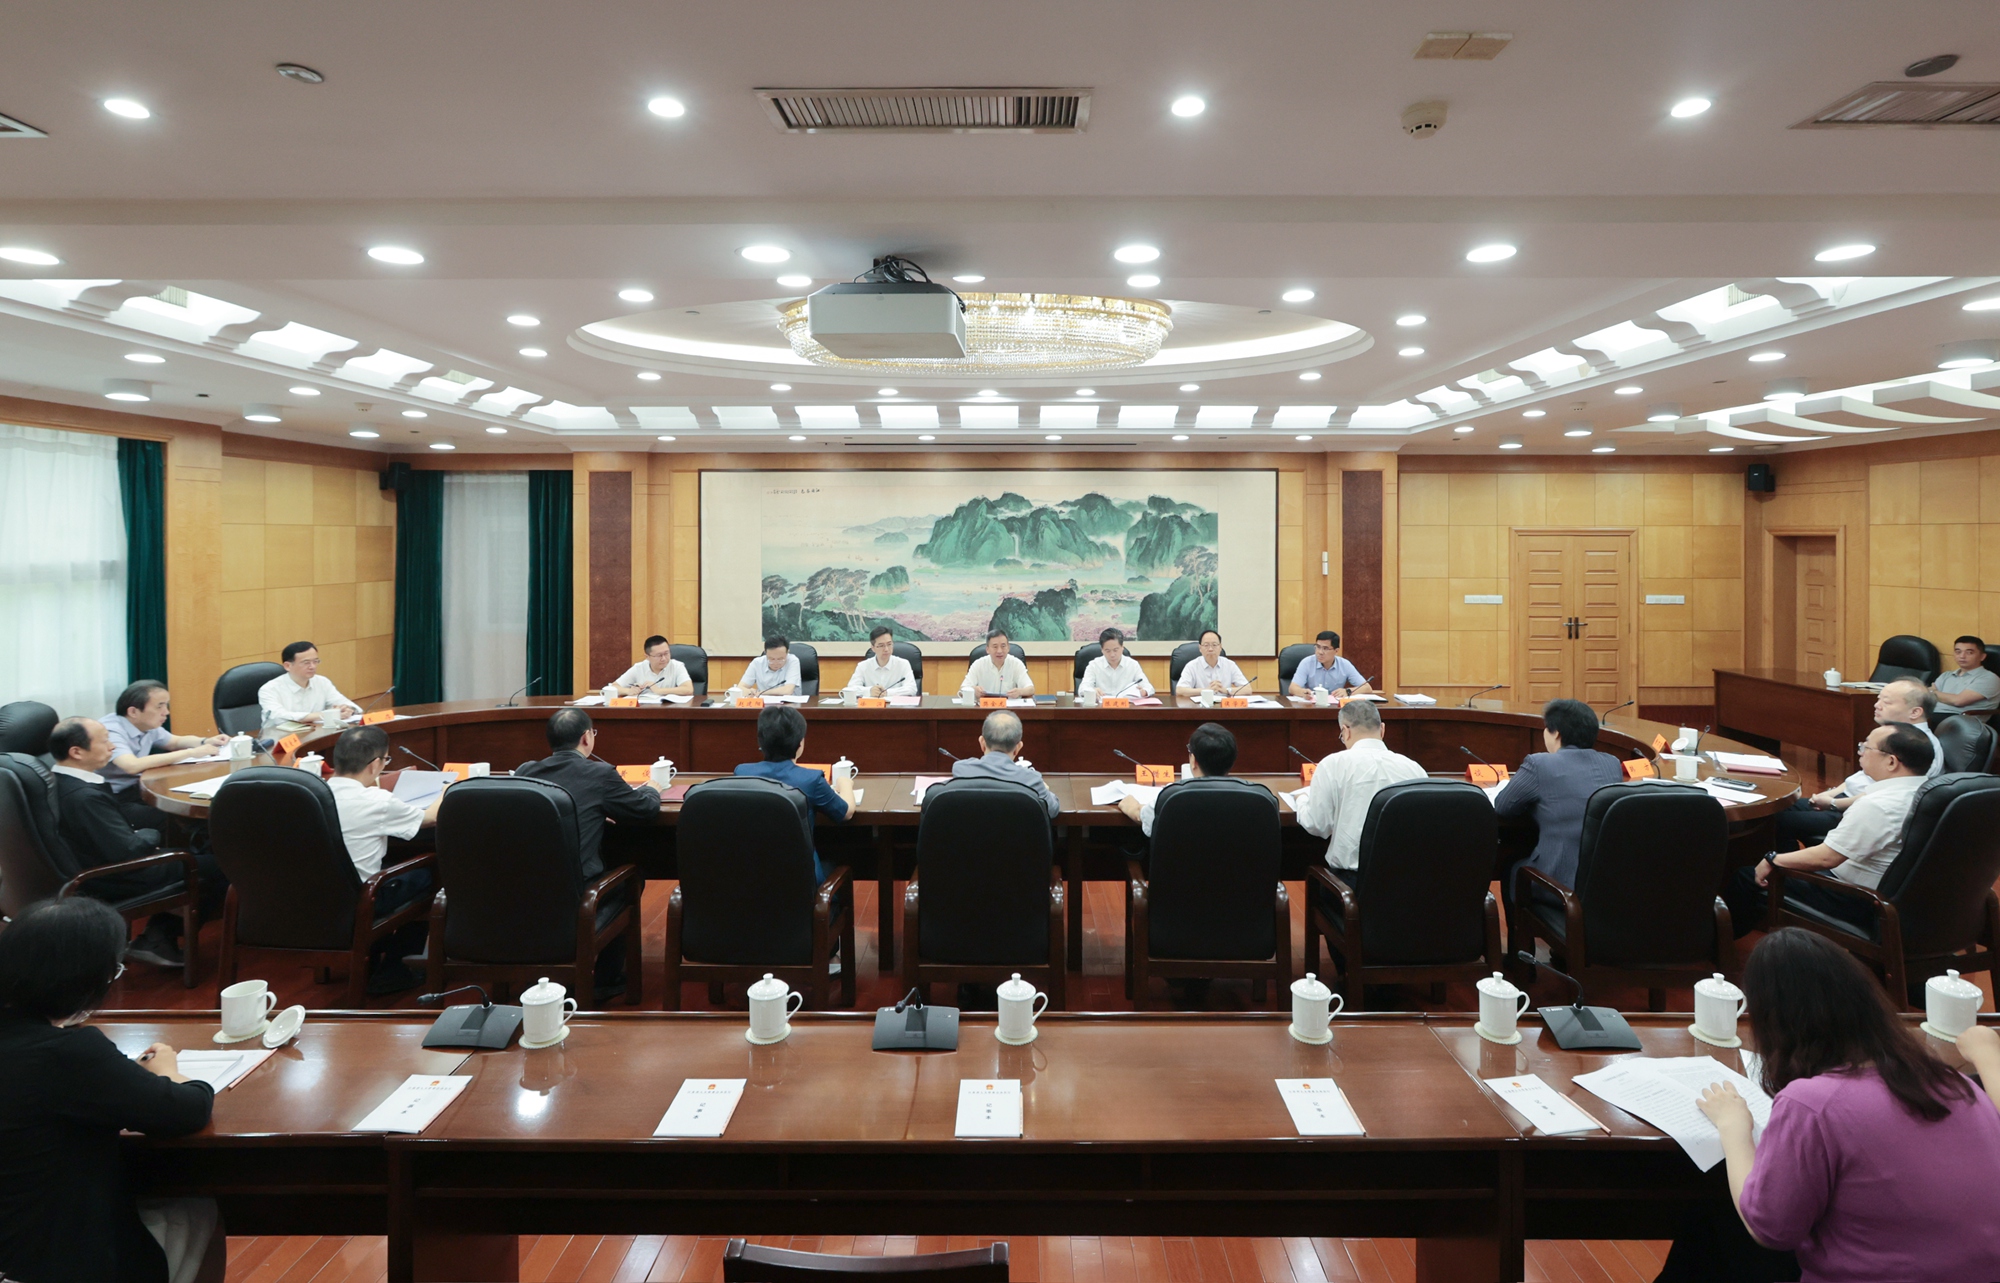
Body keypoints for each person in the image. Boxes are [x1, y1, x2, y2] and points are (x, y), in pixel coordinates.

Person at [1673, 928, 2000, 1282]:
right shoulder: (1954, 1083)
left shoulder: (1812, 1104)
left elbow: (1768, 1228)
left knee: (1711, 1214)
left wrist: (1733, 1127)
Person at [0, 896, 224, 1283]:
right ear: (85, 980)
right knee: (197, 1208)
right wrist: (170, 1073)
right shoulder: (68, 1054)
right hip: (51, 1265)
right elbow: (186, 1111)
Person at [47, 717, 225, 970]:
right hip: (117, 876)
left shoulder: (59, 781)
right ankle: (158, 938)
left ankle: (157, 936)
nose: (112, 747)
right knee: (222, 864)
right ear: (76, 752)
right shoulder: (83, 797)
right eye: (105, 741)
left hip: (98, 865)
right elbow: (129, 849)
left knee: (199, 850)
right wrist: (148, 833)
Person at [1724, 725, 1931, 937]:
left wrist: (1772, 859)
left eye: (1866, 747)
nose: (1860, 752)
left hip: (1857, 897)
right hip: (1903, 900)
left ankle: (1719, 945)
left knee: (1745, 877)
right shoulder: (1928, 792)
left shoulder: (1879, 805)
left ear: (1891, 762)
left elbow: (1826, 858)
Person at [514, 708, 662, 999]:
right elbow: (645, 810)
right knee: (632, 877)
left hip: (526, 891)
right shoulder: (600, 774)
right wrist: (653, 789)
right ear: (586, 738)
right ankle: (605, 978)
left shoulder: (525, 771)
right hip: (578, 895)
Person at [326, 726, 446, 994]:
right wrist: (446, 790)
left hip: (315, 898)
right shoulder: (376, 800)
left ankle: (374, 954)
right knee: (428, 874)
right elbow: (432, 817)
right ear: (374, 764)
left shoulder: (313, 794)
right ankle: (394, 970)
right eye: (385, 760)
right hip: (363, 900)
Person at [1777, 677, 1943, 849]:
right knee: (1777, 808)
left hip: (1863, 812)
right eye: (1878, 699)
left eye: (1886, 702)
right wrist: (1829, 795)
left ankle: (1779, 864)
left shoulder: (1921, 747)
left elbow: (1889, 794)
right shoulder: (1892, 735)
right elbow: (1860, 777)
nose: (1877, 705)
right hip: (1846, 800)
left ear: (1915, 712)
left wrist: (1833, 804)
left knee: (1778, 821)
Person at [1493, 698, 1624, 894]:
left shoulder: (1539, 764)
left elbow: (1504, 807)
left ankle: (1523, 916)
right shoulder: (1612, 763)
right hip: (1602, 886)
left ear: (1556, 734)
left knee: (1511, 863)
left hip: (1559, 887)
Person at [1295, 699, 1428, 877]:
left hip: (1351, 882)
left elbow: (1318, 825)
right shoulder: (1414, 768)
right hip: (1406, 879)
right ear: (1382, 729)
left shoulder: (1333, 764)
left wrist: (1301, 800)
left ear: (1345, 731)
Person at [732, 704, 856, 885]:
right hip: (801, 883)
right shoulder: (811, 779)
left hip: (751, 880)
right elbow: (846, 812)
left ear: (761, 742)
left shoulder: (742, 773)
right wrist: (845, 784)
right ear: (800, 743)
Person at [100, 680, 228, 830]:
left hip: (140, 789)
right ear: (133, 712)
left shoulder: (145, 724)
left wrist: (205, 741)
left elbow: (174, 742)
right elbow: (131, 765)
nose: (166, 712)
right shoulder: (111, 731)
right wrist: (191, 753)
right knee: (175, 816)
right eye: (159, 706)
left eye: (166, 705)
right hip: (114, 799)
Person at [1116, 721, 1243, 837]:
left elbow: (1141, 815)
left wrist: (1130, 805)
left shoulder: (1172, 796)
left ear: (1194, 761)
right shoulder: (1249, 795)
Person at [948, 709, 1059, 818]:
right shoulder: (1031, 780)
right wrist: (1045, 790)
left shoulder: (961, 770)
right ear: (1018, 748)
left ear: (982, 743)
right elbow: (1052, 810)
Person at [257, 640, 360, 727]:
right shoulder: (269, 689)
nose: (312, 666)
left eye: (315, 661)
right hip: (280, 738)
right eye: (306, 663)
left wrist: (347, 709)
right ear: (288, 666)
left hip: (315, 734)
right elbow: (278, 717)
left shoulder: (322, 682)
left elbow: (345, 703)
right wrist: (325, 715)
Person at [1933, 634, 1999, 718]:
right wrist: (1932, 693)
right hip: (1933, 714)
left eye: (1969, 652)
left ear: (1982, 657)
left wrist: (1932, 692)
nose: (1962, 656)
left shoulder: (1989, 678)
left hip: (1960, 719)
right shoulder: (1946, 675)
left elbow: (1958, 701)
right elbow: (1926, 697)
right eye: (1958, 652)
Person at [1288, 631, 1371, 697]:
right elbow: (1292, 688)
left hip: (1335, 708)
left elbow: (1367, 688)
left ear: (1336, 651)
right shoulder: (1306, 663)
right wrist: (1302, 692)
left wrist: (1348, 691)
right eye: (1318, 647)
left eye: (1325, 648)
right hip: (1312, 706)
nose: (1320, 652)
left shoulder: (1345, 665)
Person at [1078, 627, 1155, 698]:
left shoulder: (1132, 665)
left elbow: (1149, 688)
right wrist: (1092, 691)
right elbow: (1082, 689)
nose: (1112, 655)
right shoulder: (1094, 665)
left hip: (1126, 706)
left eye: (1115, 650)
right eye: (1108, 651)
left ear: (1122, 648)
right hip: (1101, 706)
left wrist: (1144, 692)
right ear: (1102, 650)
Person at [845, 626, 918, 697]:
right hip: (872, 705)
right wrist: (869, 691)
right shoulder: (863, 666)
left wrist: (887, 692)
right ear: (873, 648)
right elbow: (850, 689)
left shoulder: (903, 664)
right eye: (881, 645)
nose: (886, 649)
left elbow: (912, 689)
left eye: (889, 644)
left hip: (895, 705)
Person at [610, 635, 693, 698]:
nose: (664, 658)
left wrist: (659, 690)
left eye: (666, 653)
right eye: (659, 655)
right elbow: (613, 687)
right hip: (644, 710)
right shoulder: (639, 668)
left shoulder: (677, 666)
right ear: (647, 657)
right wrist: (628, 691)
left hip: (669, 710)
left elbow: (688, 689)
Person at [1175, 629, 1251, 696]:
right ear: (1200, 648)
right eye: (1206, 645)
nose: (1210, 649)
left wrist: (1226, 690)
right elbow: (1180, 690)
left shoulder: (1230, 665)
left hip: (1223, 705)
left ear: (1220, 647)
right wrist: (1205, 691)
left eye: (1214, 645)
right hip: (1201, 706)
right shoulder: (1192, 666)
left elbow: (1247, 689)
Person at [961, 629, 1035, 699]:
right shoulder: (978, 664)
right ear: (987, 649)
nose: (999, 651)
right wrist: (973, 690)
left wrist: (1019, 692)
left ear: (1008, 648)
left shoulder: (1016, 664)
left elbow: (1031, 689)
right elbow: (963, 688)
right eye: (995, 647)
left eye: (1003, 646)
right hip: (984, 706)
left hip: (1009, 706)